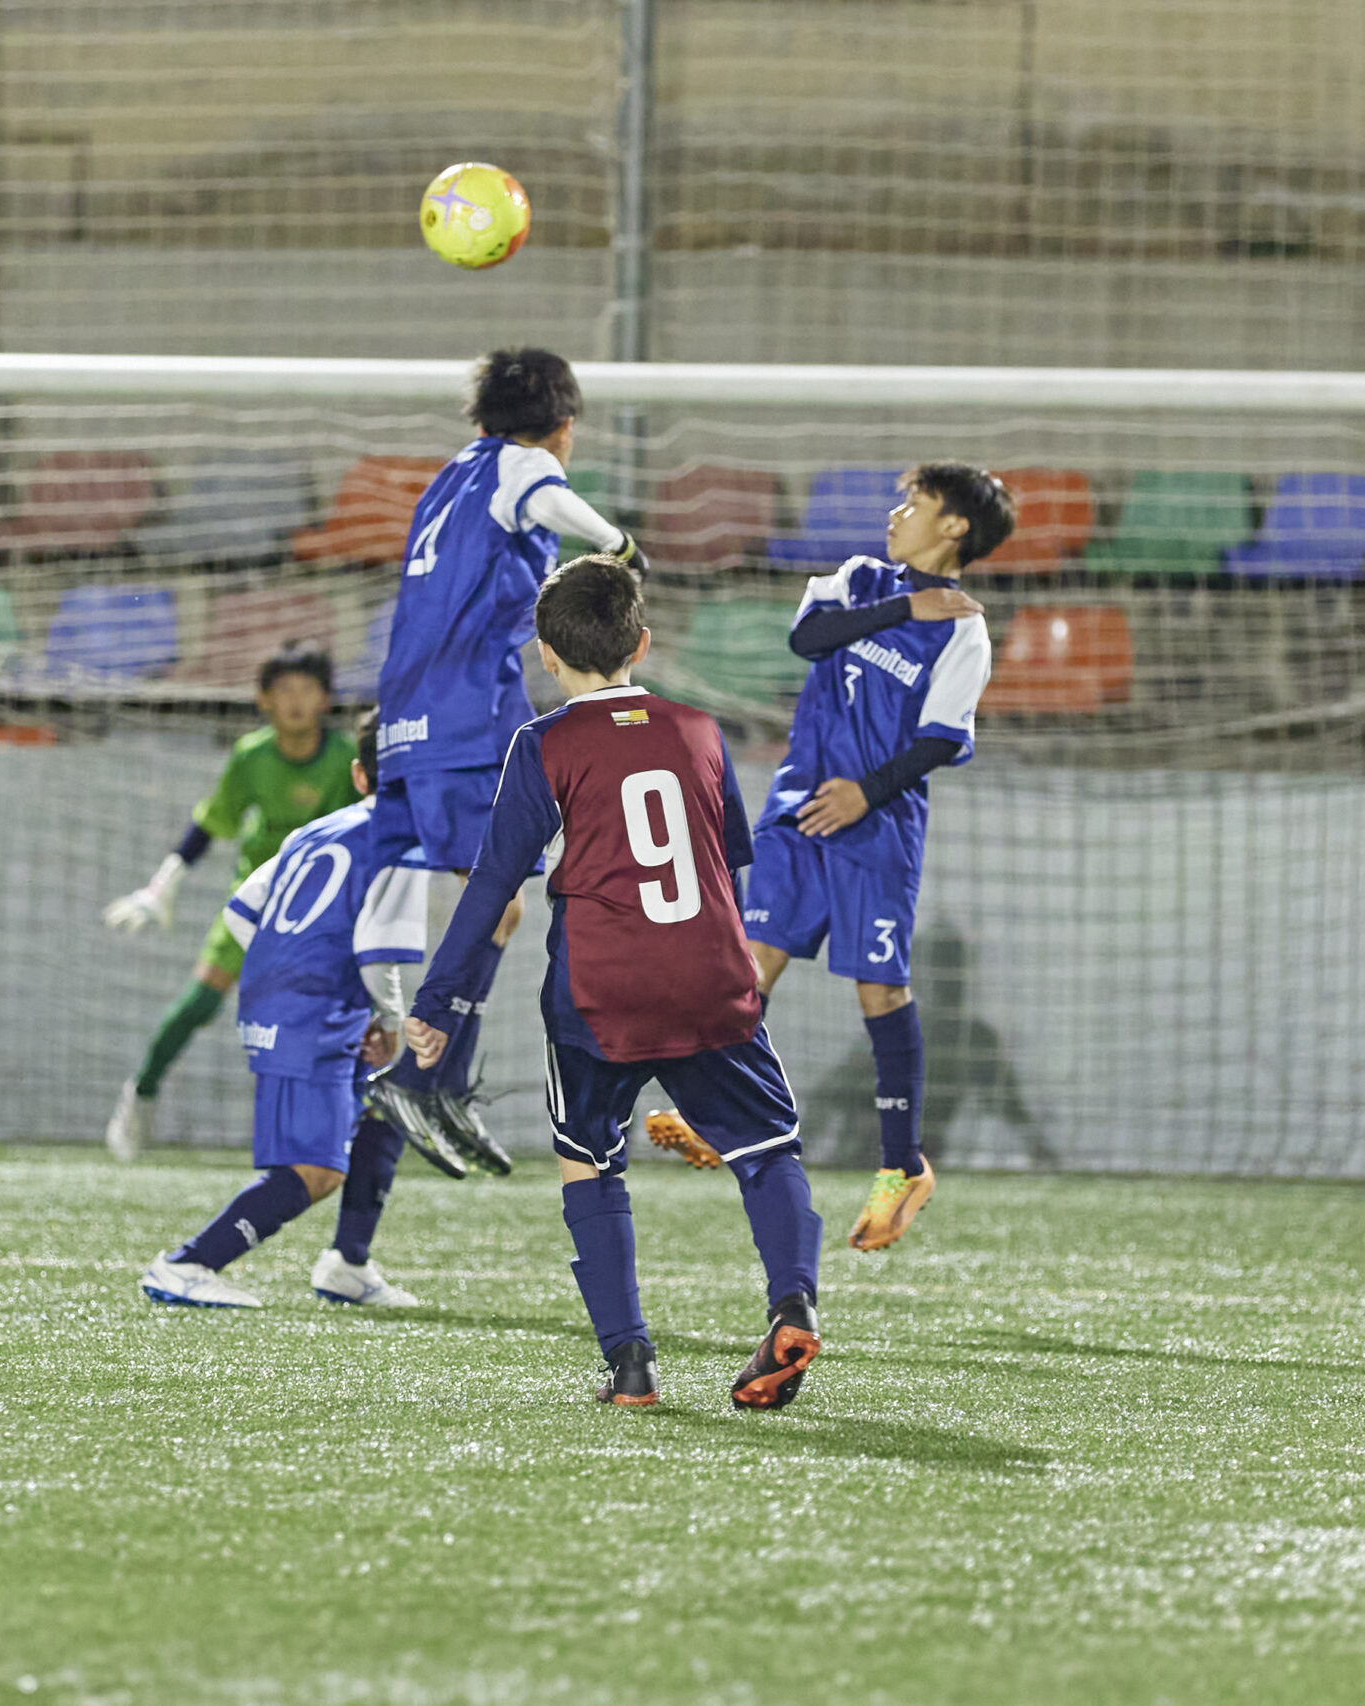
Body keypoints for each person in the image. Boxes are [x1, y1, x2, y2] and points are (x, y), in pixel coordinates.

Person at [405, 554, 824, 1411]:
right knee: (768, 1150)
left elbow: (493, 885)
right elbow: (727, 863)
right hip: (710, 976)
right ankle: (793, 1305)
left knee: (589, 1162)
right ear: (641, 643)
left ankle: (630, 1364)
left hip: (600, 994)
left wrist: (437, 998)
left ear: (545, 654)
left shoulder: (543, 743)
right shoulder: (699, 729)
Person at [367, 348, 641, 1180]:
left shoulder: (453, 474)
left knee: (500, 906)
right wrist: (616, 544)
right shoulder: (521, 465)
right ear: (562, 426)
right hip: (463, 715)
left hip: (421, 709)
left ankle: (437, 1081)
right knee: (499, 901)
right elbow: (546, 495)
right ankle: (415, 1078)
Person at [729, 463, 1004, 1253]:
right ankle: (722, 1112)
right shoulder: (857, 580)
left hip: (877, 824)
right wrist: (902, 606)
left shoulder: (964, 631)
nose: (895, 514)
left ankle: (901, 1166)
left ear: (954, 526)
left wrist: (865, 794)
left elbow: (941, 740)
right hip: (796, 808)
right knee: (750, 964)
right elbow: (806, 638)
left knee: (879, 990)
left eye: (914, 504)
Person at [139, 713, 433, 1310]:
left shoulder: (314, 831)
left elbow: (240, 911)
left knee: (381, 1108)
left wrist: (284, 967)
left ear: (359, 775)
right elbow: (378, 951)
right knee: (316, 1170)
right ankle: (188, 1263)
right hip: (316, 1011)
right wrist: (389, 1022)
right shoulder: (403, 845)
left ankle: (349, 1264)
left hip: (283, 998)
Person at [102, 648, 361, 1161]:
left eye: (306, 690)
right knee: (200, 1002)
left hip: (323, 908)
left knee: (330, 1017)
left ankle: (340, 1125)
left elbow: (368, 825)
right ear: (264, 700)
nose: (295, 701)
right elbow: (211, 822)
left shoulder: (344, 758)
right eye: (284, 691)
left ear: (326, 699)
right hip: (255, 902)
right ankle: (141, 1094)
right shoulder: (251, 756)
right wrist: (161, 885)